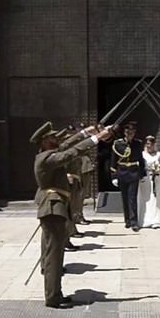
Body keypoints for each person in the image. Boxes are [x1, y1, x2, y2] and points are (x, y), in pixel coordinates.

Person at [32, 121, 113, 308]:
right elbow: (70, 153)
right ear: (44, 142)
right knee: (54, 255)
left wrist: (85, 133)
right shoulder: (47, 159)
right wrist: (96, 139)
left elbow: (66, 145)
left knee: (56, 252)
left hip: (56, 207)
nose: (57, 139)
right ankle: (52, 297)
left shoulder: (47, 154)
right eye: (52, 138)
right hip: (52, 208)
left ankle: (56, 293)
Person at [110, 122, 146, 231]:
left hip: (134, 172)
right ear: (125, 133)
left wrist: (142, 173)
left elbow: (140, 159)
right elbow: (113, 161)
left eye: (133, 133)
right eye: (129, 133)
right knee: (125, 198)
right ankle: (127, 220)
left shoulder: (137, 143)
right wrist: (114, 176)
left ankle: (134, 221)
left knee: (132, 198)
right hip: (122, 172)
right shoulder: (118, 144)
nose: (131, 135)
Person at [137, 136, 160, 229]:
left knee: (155, 197)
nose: (149, 146)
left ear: (154, 145)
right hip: (145, 178)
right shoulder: (142, 154)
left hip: (156, 178)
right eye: (147, 144)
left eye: (151, 144)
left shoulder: (158, 154)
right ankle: (145, 219)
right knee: (146, 198)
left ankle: (157, 219)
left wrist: (158, 169)